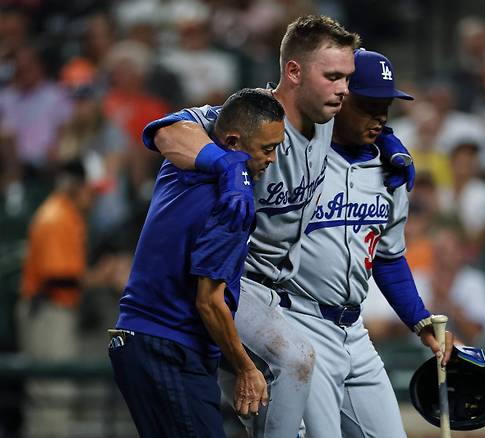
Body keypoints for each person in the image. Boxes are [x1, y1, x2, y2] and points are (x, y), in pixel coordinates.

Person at [142, 15, 415, 438]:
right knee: (294, 360)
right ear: (293, 72)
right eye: (333, 77)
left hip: (282, 294)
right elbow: (166, 132)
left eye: (346, 79)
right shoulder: (259, 122)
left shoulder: (325, 118)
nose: (344, 88)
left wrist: (387, 141)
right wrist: (227, 165)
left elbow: (365, 106)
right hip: (240, 282)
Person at [276, 49, 454, 437]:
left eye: (385, 106)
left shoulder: (391, 170)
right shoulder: (297, 153)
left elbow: (388, 258)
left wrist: (418, 318)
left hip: (354, 330)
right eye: (368, 105)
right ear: (339, 98)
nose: (380, 118)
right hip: (298, 318)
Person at [109, 89, 284, 438]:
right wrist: (246, 368)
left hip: (138, 339)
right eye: (267, 149)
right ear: (234, 142)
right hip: (171, 347)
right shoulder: (234, 203)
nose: (273, 159)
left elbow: (178, 129)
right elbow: (208, 301)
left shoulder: (179, 164)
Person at [16, 160, 117, 437]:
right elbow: (59, 277)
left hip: (55, 310)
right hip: (47, 311)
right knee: (51, 393)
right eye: (91, 191)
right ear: (75, 186)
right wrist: (101, 276)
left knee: (53, 394)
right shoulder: (56, 216)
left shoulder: (68, 213)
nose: (94, 198)